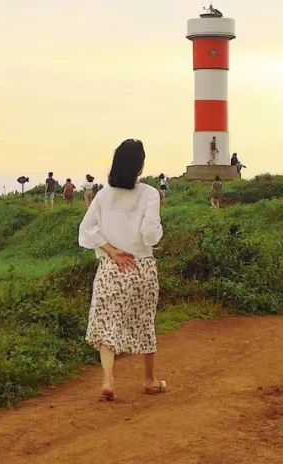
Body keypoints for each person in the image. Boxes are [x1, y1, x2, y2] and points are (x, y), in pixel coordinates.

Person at [78, 139, 165, 401]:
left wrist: (112, 250)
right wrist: (156, 232)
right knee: (144, 321)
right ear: (140, 167)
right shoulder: (150, 193)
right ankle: (149, 380)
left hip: (111, 267)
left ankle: (108, 380)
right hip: (141, 268)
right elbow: (150, 235)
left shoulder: (103, 194)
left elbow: (86, 230)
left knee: (107, 322)